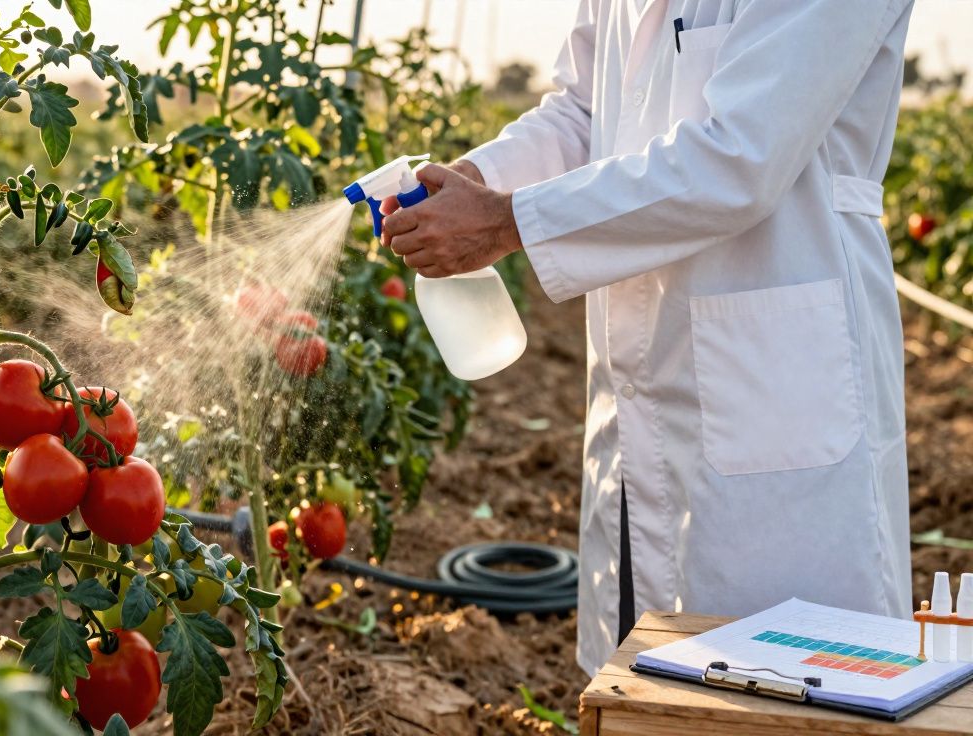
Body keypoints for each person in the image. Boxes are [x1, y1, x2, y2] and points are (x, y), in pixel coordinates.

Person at [380, 0, 916, 676]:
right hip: (645, 372)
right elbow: (582, 112)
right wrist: (478, 182)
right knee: (649, 668)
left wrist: (506, 221)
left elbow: (742, 157)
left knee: (795, 681)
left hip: (777, 378)